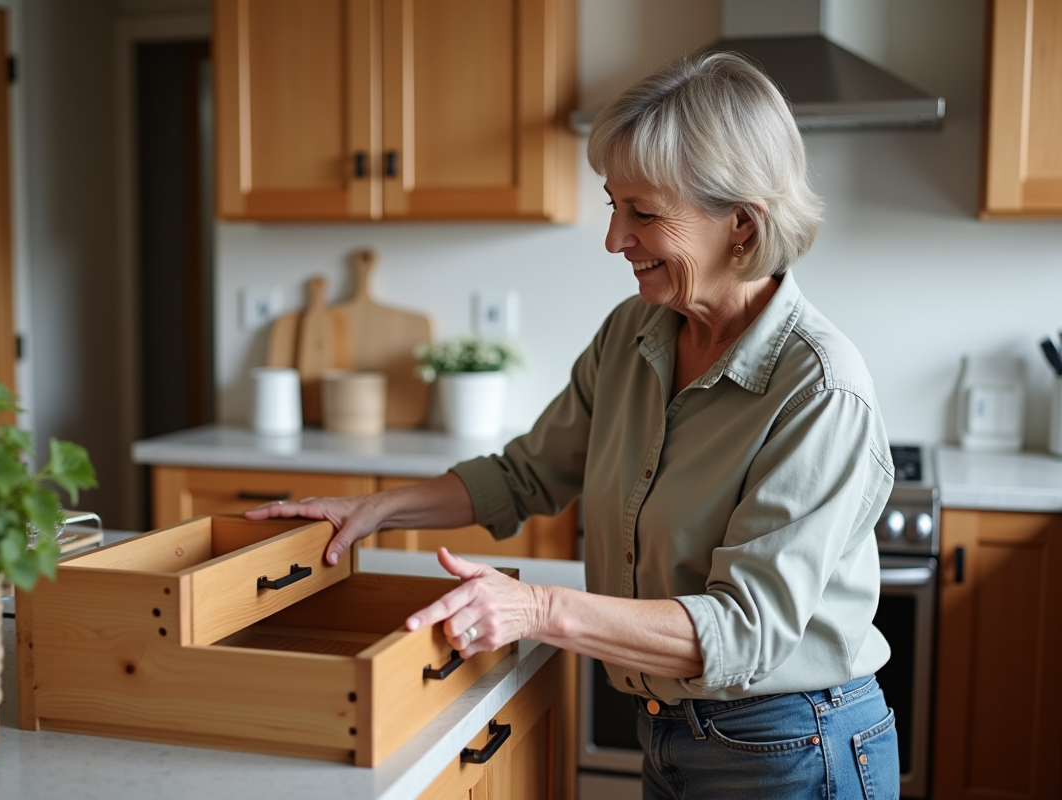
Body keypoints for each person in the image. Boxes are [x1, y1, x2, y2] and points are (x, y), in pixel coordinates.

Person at [247, 51, 899, 800]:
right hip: (667, 733)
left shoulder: (819, 386)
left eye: (644, 213)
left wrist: (535, 609)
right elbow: (527, 473)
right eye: (612, 204)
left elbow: (743, 632)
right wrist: (376, 510)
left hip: (790, 747)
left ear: (741, 228)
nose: (614, 239)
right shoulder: (635, 333)